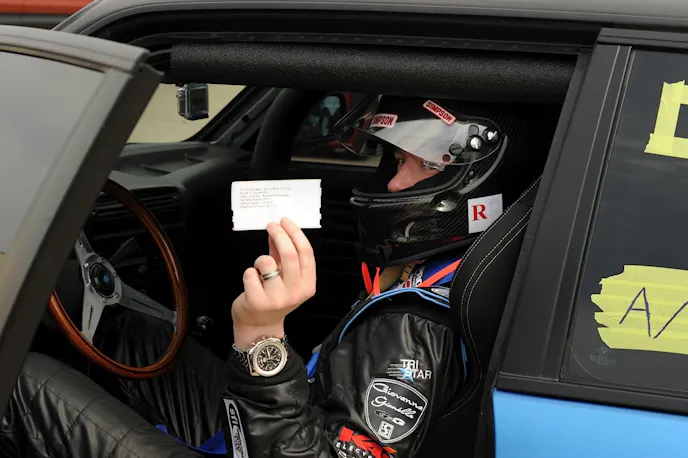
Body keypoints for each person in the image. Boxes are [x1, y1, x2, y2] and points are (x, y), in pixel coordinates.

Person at [1, 95, 553, 457]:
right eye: (397, 160)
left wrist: (261, 339)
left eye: (425, 165)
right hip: (286, 421)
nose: (393, 183)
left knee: (20, 379)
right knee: (126, 330)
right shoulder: (451, 265)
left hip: (282, 439)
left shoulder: (413, 325)